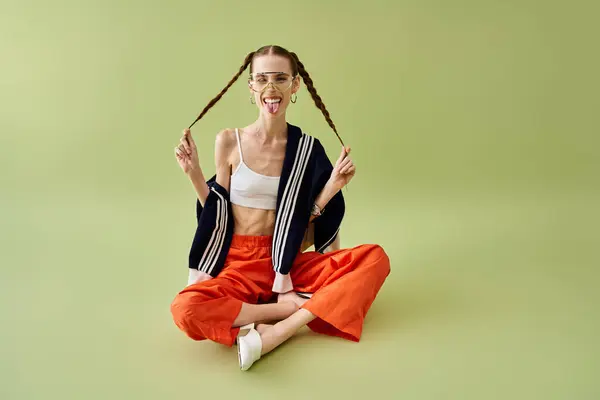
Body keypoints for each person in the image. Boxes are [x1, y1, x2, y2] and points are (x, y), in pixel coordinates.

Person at [170, 45, 391, 371]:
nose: (271, 89)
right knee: (185, 308)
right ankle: (285, 311)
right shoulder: (229, 141)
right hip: (239, 263)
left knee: (375, 259)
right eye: (262, 79)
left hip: (285, 262)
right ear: (251, 87)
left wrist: (332, 187)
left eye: (280, 78)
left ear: (295, 85)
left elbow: (302, 226)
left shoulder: (306, 150)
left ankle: (274, 334)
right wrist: (194, 174)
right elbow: (216, 214)